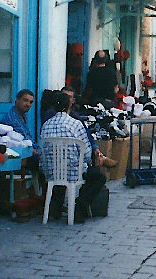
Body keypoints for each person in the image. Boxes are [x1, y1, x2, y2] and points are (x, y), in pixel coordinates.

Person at [40, 92, 107, 223]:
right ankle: (80, 208)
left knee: (60, 170)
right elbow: (87, 153)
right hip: (73, 173)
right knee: (99, 177)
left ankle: (55, 208)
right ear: (69, 106)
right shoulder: (76, 124)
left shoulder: (45, 125)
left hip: (51, 172)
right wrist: (91, 163)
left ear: (53, 107)